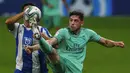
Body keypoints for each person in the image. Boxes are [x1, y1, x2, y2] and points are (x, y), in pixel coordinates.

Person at [28, 10, 125, 73]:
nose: (72, 23)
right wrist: (37, 44)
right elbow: (51, 42)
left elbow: (105, 42)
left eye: (76, 21)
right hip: (61, 64)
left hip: (75, 69)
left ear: (82, 23)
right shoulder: (63, 32)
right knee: (52, 52)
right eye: (71, 20)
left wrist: (115, 43)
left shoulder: (88, 33)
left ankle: (39, 37)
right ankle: (38, 36)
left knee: (52, 51)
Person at [5, 3, 51, 73]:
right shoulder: (18, 28)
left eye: (31, 10)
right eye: (27, 10)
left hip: (39, 70)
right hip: (21, 70)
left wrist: (43, 37)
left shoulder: (42, 30)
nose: (29, 12)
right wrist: (24, 12)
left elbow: (54, 44)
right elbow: (8, 22)